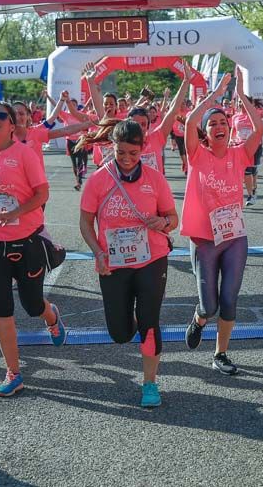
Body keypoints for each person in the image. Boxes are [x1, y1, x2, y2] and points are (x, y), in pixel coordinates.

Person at [0, 101, 68, 396]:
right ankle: (14, 371)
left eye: (0, 116)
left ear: (12, 125)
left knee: (33, 305)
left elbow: (42, 193)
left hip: (26, 238)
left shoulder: (24, 153)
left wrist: (14, 213)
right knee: (0, 304)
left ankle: (52, 317)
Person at [79, 120, 178, 407]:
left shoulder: (155, 179)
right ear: (113, 147)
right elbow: (85, 223)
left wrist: (164, 222)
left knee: (149, 323)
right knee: (120, 333)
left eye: (133, 154)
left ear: (143, 149)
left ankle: (150, 383)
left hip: (152, 259)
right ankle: (134, 322)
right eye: (121, 152)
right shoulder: (98, 179)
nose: (126, 159)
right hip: (113, 263)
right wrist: (97, 253)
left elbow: (173, 218)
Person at [181, 70, 262, 375]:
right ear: (205, 132)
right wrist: (215, 93)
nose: (218, 126)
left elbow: (258, 128)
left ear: (229, 129)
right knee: (210, 306)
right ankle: (199, 318)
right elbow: (190, 123)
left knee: (229, 300)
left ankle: (221, 353)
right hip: (204, 241)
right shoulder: (197, 155)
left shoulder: (240, 155)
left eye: (222, 123)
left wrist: (240, 95)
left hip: (234, 239)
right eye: (212, 123)